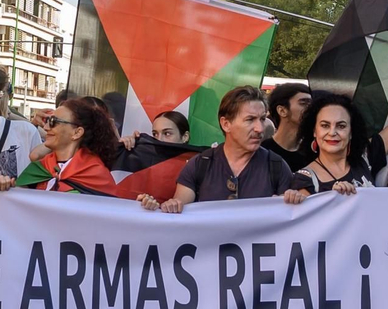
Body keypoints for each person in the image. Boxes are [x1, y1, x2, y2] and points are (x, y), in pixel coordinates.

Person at [139, 87, 310, 213]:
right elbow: (178, 209)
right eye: (250, 120)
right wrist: (158, 207)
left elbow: (292, 222)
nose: (259, 128)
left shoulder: (277, 167)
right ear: (226, 124)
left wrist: (293, 201)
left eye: (262, 119)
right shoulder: (199, 165)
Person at [29, 98, 120, 194]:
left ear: (77, 132)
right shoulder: (41, 169)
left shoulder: (97, 174)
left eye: (53, 121)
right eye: (48, 120)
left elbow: (111, 207)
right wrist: (11, 188)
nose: (46, 127)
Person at [292, 93, 370, 195]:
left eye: (341, 126)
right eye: (325, 125)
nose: (332, 133)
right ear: (314, 131)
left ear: (351, 132)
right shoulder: (304, 180)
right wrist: (332, 198)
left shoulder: (365, 159)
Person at [264, 82, 312, 171]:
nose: (310, 108)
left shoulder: (313, 151)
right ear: (282, 111)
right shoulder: (263, 152)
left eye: (311, 104)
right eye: (303, 103)